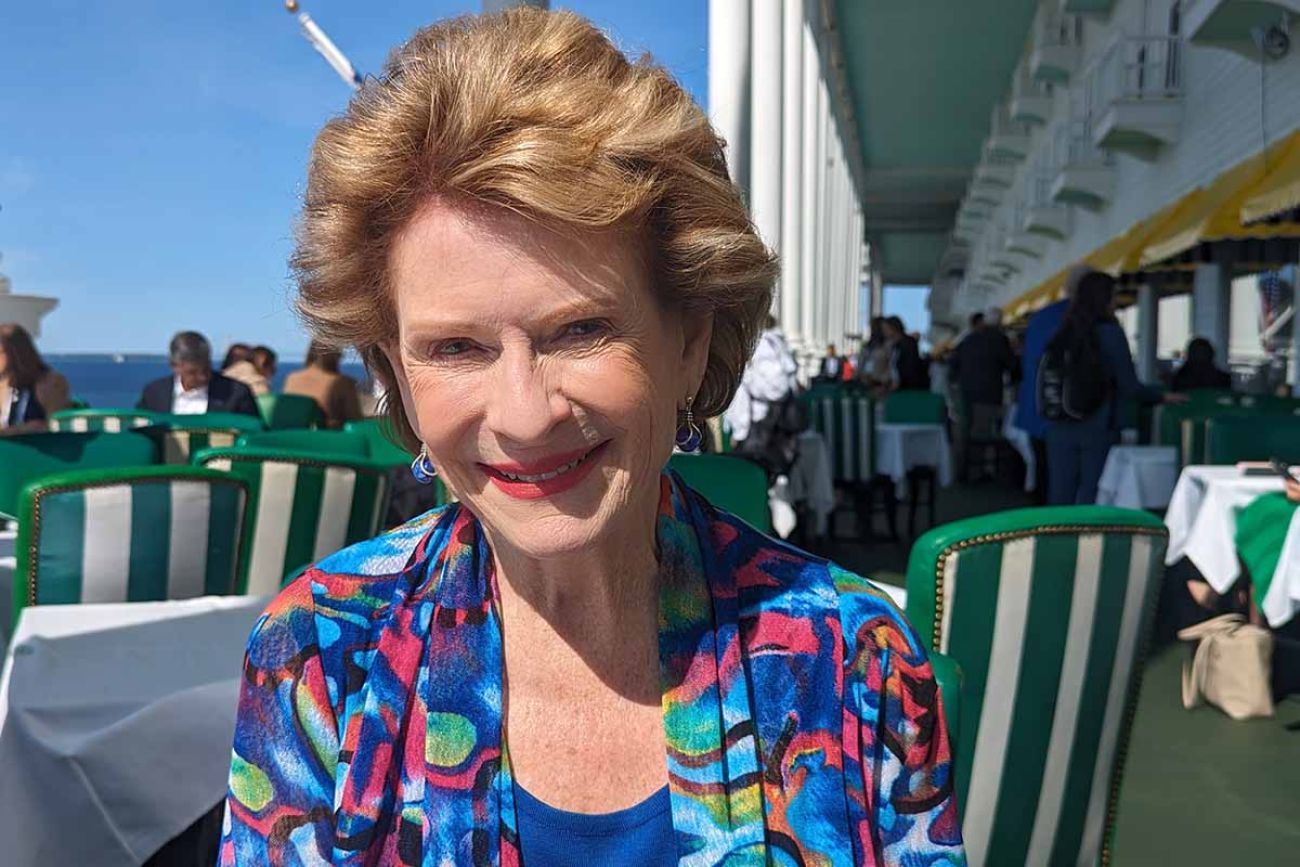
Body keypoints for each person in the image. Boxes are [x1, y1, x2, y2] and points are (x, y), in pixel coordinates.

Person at [219, 11, 962, 865]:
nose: (525, 413)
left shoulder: (849, 659)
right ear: (396, 369)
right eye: (456, 347)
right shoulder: (319, 653)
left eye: (579, 330)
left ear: (688, 340)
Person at [1044, 271, 1179, 505]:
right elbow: (1130, 386)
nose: (1116, 301)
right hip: (1097, 423)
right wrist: (1162, 396)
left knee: (1060, 494)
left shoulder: (1063, 332)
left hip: (1059, 421)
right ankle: (1087, 540)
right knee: (1093, 492)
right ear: (1104, 298)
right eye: (1113, 295)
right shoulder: (1110, 333)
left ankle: (1055, 540)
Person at [949, 308, 1018, 481]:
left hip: (966, 393)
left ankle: (964, 471)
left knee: (967, 434)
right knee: (987, 434)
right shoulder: (999, 339)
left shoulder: (967, 340)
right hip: (988, 395)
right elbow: (1012, 365)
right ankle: (985, 471)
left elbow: (952, 366)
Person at [137, 331, 260, 416]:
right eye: (193, 372)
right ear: (174, 366)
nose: (203, 377)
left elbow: (254, 437)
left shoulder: (236, 394)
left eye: (206, 368)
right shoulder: (154, 394)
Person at [0, 323, 71, 434]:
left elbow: (58, 427)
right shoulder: (4, 384)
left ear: (17, 353)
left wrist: (17, 430)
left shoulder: (50, 383)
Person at [282, 340, 363, 428]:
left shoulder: (291, 378)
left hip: (293, 434)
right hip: (328, 437)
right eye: (340, 354)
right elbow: (355, 419)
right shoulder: (341, 382)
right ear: (335, 355)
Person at [881, 315, 928, 392]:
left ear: (893, 328)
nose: (884, 332)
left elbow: (910, 367)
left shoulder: (908, 344)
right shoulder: (893, 346)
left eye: (886, 329)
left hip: (909, 388)